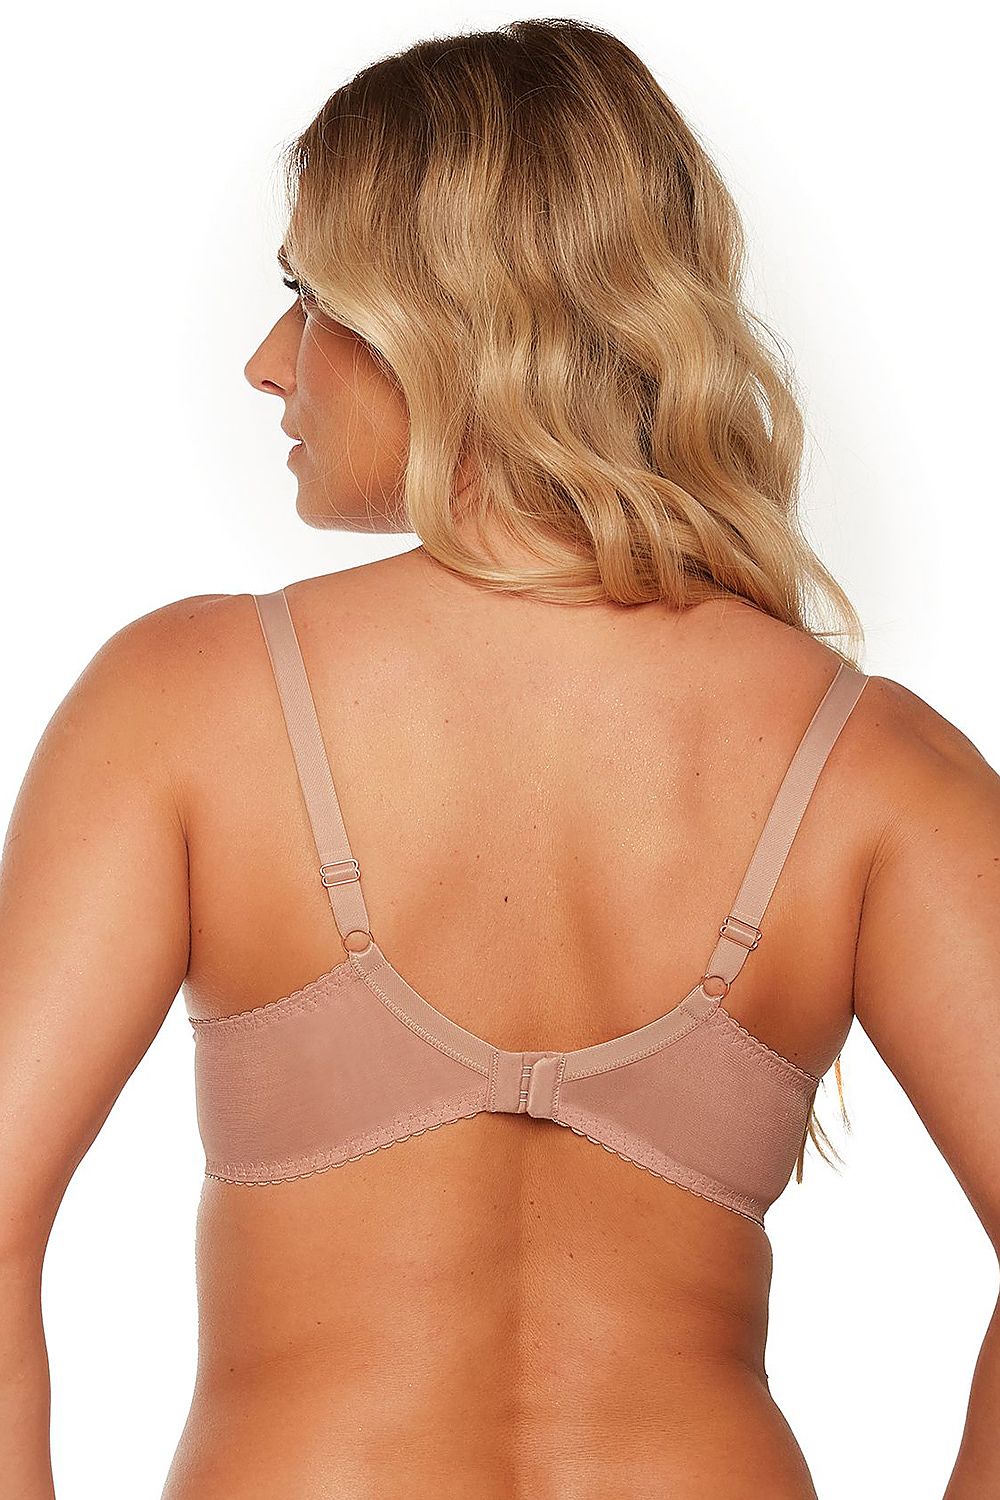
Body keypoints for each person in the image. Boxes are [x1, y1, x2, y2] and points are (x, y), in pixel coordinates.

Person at [1, 19, 997, 1500]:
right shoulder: (874, 767)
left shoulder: (185, 705)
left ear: (447, 317)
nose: (269, 363)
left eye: (309, 296)